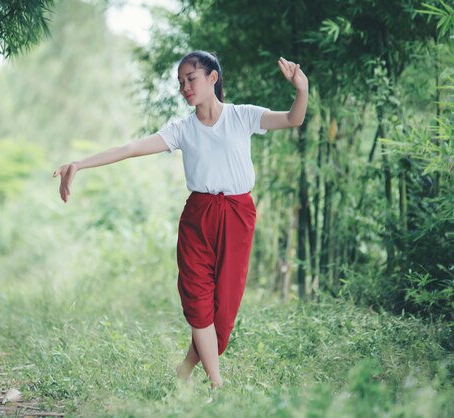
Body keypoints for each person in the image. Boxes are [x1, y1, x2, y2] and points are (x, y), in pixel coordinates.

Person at [53, 50, 308, 389]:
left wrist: (301, 88)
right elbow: (130, 148)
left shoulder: (243, 116)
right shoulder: (182, 129)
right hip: (198, 218)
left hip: (237, 215)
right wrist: (80, 164)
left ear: (212, 78)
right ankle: (217, 385)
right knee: (198, 296)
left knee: (224, 310)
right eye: (181, 82)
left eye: (191, 79)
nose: (185, 87)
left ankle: (186, 368)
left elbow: (293, 119)